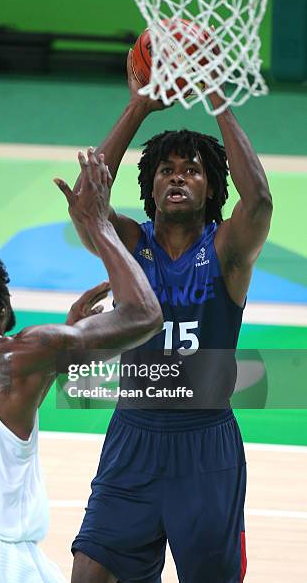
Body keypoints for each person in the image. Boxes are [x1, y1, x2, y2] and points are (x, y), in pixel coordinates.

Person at [0, 150, 163, 583]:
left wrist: (63, 341)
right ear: (0, 300)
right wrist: (100, 226)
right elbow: (145, 315)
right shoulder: (18, 355)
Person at [70, 53, 273, 582]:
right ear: (151, 186)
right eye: (166, 169)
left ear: (211, 188)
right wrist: (138, 108)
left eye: (192, 170)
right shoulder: (130, 245)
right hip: (133, 436)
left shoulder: (226, 250)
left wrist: (219, 101)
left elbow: (260, 203)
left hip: (205, 444)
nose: (178, 177)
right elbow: (87, 205)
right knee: (90, 572)